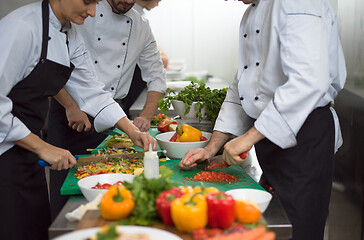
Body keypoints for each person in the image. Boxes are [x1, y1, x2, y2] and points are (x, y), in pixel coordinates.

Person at [179, 0, 346, 240]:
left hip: (305, 137)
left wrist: (247, 138)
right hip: (270, 137)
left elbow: (308, 82)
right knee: (271, 225)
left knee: (298, 229)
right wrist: (211, 147)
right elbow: (243, 85)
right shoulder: (251, 13)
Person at [0, 0, 157, 239]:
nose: (93, 11)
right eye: (87, 2)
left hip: (27, 152)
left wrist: (130, 130)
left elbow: (91, 91)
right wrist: (42, 146)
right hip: (5, 153)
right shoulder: (22, 27)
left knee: (36, 227)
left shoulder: (70, 35)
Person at [47, 0, 167, 220]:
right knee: (66, 189)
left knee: (110, 183)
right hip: (70, 115)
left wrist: (140, 122)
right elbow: (52, 69)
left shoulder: (140, 25)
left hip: (112, 113)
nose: (128, 1)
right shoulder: (83, 13)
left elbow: (156, 77)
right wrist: (71, 106)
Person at [133, 0, 169, 68]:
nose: (157, 5)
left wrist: (161, 53)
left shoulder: (140, 11)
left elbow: (147, 38)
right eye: (157, 1)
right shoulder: (132, 13)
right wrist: (158, 56)